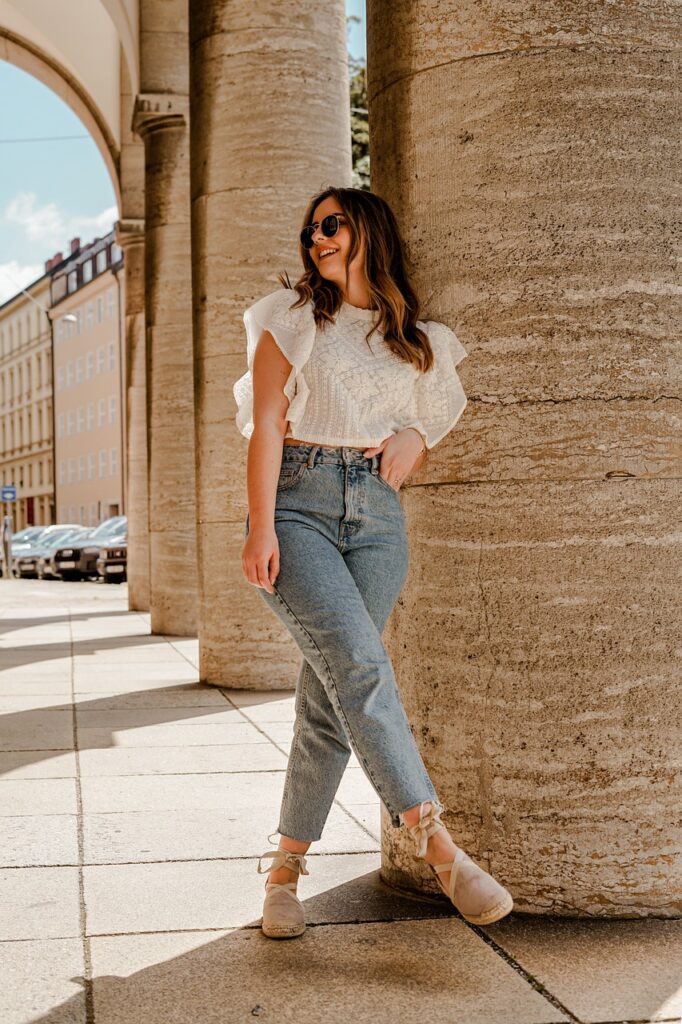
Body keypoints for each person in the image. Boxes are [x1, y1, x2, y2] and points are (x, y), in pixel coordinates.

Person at [234, 186, 513, 939]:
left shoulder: (416, 338)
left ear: (367, 229)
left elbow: (432, 413)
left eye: (331, 224)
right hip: (297, 505)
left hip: (378, 520)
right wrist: (262, 526)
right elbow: (265, 424)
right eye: (310, 228)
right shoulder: (287, 319)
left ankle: (284, 873)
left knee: (330, 697)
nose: (317, 237)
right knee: (359, 669)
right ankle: (439, 846)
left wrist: (414, 440)